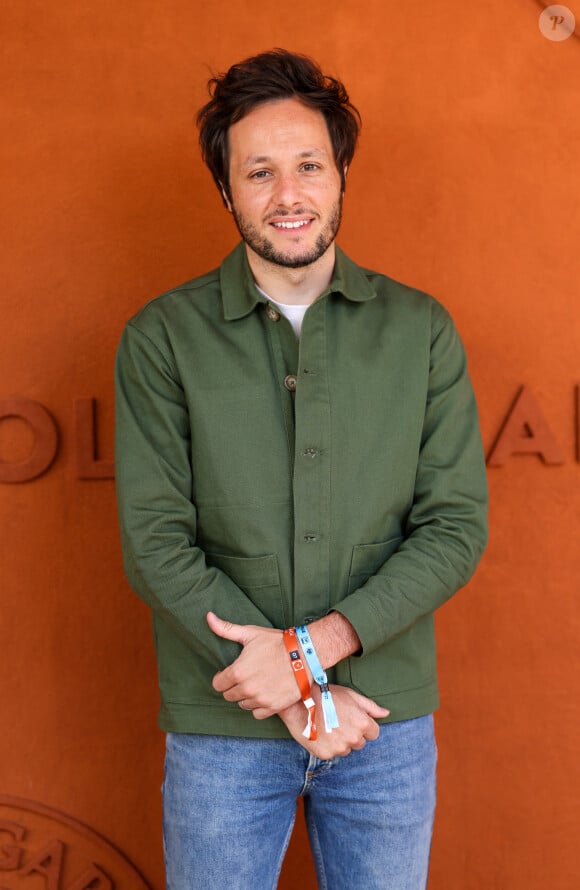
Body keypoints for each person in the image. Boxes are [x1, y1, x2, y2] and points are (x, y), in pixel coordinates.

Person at [115, 48, 488, 890]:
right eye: (259, 172)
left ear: (342, 170)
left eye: (309, 165)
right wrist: (300, 693)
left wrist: (312, 653)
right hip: (223, 727)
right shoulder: (161, 338)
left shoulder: (421, 331)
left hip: (383, 729)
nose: (289, 196)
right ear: (225, 190)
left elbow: (454, 527)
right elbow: (156, 542)